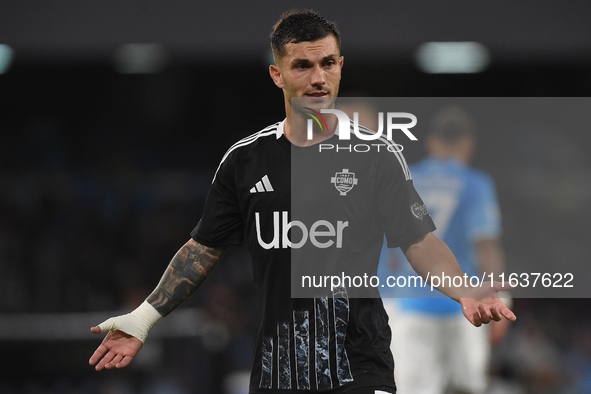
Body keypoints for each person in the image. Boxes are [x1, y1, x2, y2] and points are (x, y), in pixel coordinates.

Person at [89, 11, 516, 394]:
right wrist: (144, 317)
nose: (318, 78)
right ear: (277, 74)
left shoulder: (377, 157)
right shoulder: (244, 160)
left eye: (328, 63)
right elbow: (203, 249)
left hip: (361, 366)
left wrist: (463, 290)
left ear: (340, 66)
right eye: (303, 65)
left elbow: (419, 240)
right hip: (279, 373)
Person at [378, 106, 510, 394]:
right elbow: (486, 245)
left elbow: (386, 247)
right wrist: (500, 297)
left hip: (410, 306)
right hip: (465, 308)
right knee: (467, 388)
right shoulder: (476, 185)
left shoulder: (406, 177)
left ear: (431, 142)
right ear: (468, 144)